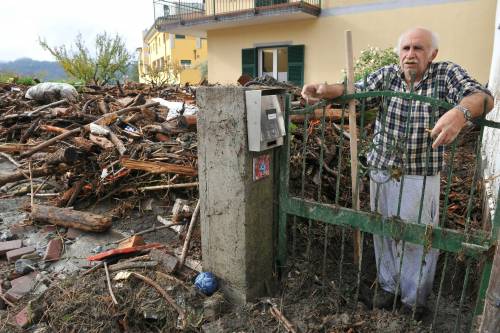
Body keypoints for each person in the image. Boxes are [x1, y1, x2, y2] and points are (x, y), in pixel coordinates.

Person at [301, 27, 493, 318]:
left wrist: (460, 113)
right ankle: (389, 289)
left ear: (432, 54)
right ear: (398, 53)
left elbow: (484, 97)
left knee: (418, 240)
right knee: (383, 233)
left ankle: (414, 302)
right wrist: (327, 90)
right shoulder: (388, 75)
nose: (410, 54)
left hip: (418, 175)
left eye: (418, 48)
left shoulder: (445, 74)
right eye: (405, 49)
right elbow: (355, 91)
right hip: (381, 172)